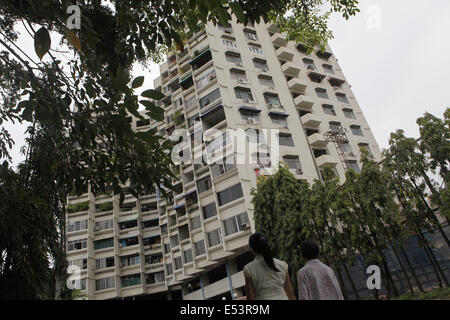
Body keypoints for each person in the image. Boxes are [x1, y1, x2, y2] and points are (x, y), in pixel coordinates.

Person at [243, 232, 296, 300]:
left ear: (251, 249)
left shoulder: (249, 269)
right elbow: (290, 294)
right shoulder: (282, 265)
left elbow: (250, 298)